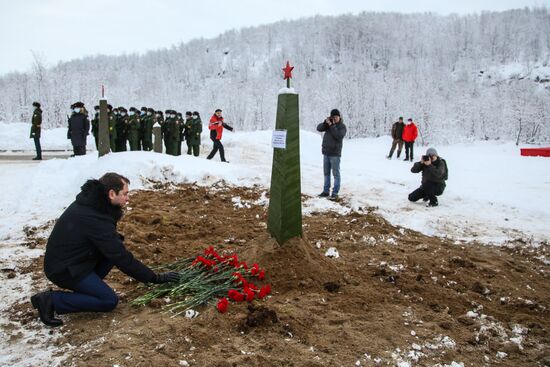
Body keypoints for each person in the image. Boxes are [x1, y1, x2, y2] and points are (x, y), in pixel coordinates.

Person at [30, 173, 179, 327]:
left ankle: (88, 288)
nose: (128, 198)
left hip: (75, 260)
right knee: (108, 300)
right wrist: (154, 278)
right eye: (125, 194)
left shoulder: (93, 204)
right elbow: (121, 257)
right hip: (64, 269)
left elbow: (114, 250)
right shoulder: (94, 217)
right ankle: (50, 300)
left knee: (114, 245)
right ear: (111, 194)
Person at [316, 108, 347, 200]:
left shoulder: (342, 126)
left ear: (339, 117)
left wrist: (332, 125)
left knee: (336, 174)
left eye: (336, 117)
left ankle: (335, 193)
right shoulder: (329, 125)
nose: (335, 118)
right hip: (326, 153)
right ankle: (326, 191)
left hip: (335, 154)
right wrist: (325, 123)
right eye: (333, 117)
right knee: (326, 173)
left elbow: (338, 136)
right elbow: (319, 128)